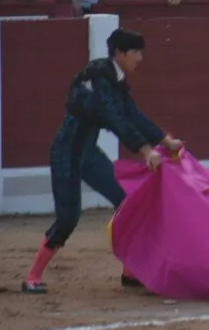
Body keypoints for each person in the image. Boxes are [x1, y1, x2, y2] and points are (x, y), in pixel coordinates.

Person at [22, 29, 184, 295]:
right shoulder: (98, 76)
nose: (140, 58)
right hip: (67, 153)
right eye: (136, 52)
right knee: (68, 217)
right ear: (120, 53)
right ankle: (32, 276)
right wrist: (144, 150)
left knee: (128, 203)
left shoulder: (112, 79)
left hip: (87, 152)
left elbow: (132, 114)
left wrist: (166, 141)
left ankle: (130, 271)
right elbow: (113, 118)